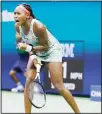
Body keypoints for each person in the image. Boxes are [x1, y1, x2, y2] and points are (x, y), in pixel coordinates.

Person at [13, 3, 81, 113]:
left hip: (51, 51)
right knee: (29, 81)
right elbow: (26, 44)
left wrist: (29, 48)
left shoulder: (38, 27)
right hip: (36, 50)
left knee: (58, 85)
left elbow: (45, 47)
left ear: (27, 15)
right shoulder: (17, 26)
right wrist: (33, 55)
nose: (15, 16)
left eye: (18, 13)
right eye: (14, 13)